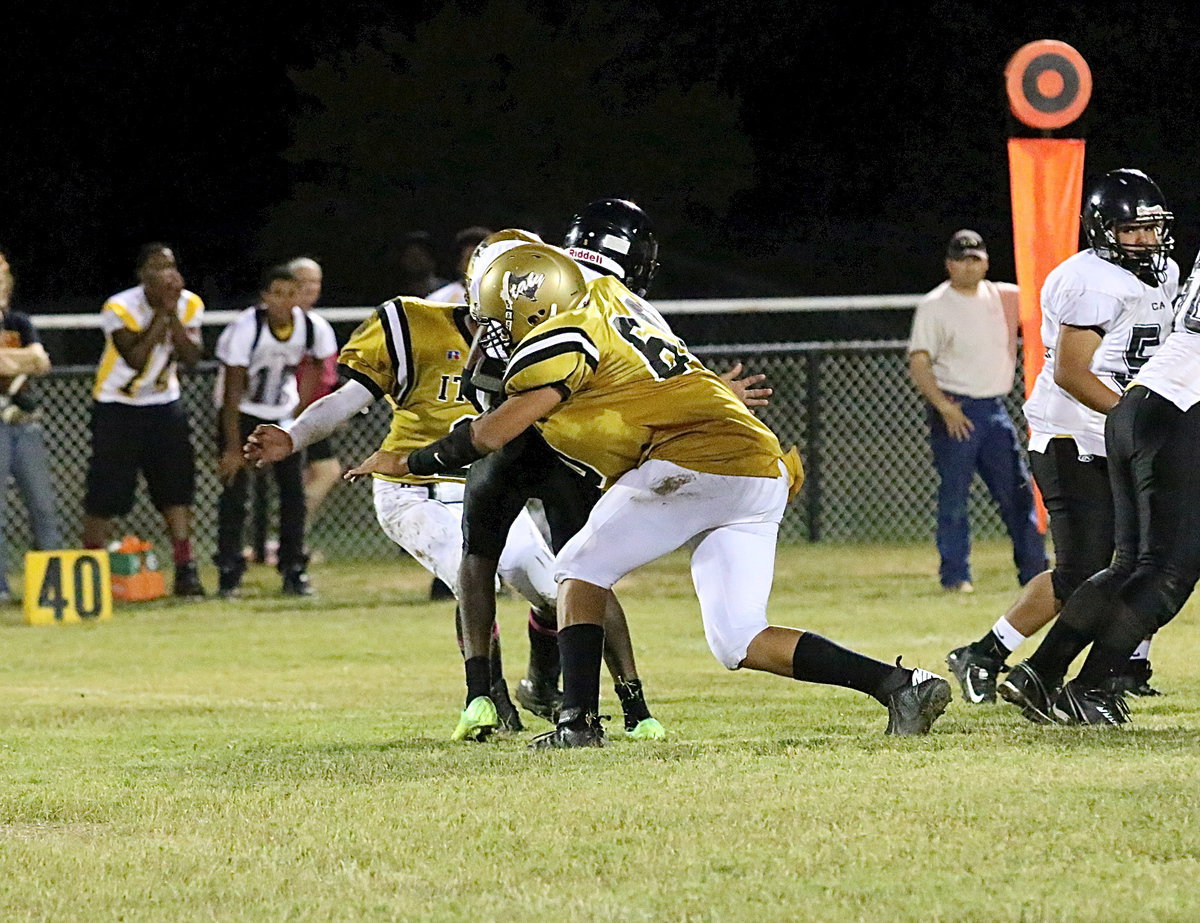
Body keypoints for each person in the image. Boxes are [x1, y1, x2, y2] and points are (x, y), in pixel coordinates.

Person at [346, 242, 953, 747]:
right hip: (756, 469)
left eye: (493, 314)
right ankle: (900, 687)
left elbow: (492, 433)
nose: (486, 327)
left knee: (578, 566)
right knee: (738, 639)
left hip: (696, 459)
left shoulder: (558, 340)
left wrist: (407, 459)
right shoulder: (611, 301)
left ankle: (577, 723)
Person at [243, 280, 558, 737]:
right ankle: (490, 699)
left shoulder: (541, 341)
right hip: (414, 487)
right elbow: (348, 399)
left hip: (491, 487)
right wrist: (294, 436)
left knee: (553, 594)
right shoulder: (415, 325)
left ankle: (543, 686)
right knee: (473, 575)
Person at [989, 169, 1179, 721]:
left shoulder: (1165, 273)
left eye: (1152, 228)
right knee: (1103, 565)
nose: (1145, 240)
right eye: (1131, 230)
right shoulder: (1091, 279)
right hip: (1077, 432)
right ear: (1102, 230)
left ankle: (1094, 671)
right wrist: (1137, 420)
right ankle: (1007, 660)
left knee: (1133, 562)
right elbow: (1074, 371)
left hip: (1119, 433)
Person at [1033, 259, 1200, 726]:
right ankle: (1091, 686)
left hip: (1141, 401)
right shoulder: (1091, 277)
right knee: (1170, 570)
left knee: (1131, 564)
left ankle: (1040, 672)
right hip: (1181, 407)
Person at [908, 230, 1047, 596]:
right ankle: (956, 576)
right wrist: (943, 407)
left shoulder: (1005, 296)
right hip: (958, 407)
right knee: (954, 496)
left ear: (986, 261)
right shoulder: (935, 304)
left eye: (976, 258)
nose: (969, 266)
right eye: (962, 259)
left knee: (1018, 493)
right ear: (949, 264)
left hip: (995, 407)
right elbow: (919, 360)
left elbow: (1046, 296)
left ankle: (1035, 573)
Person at [82, 244, 206, 596]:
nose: (168, 275)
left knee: (176, 487)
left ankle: (185, 567)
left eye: (172, 267)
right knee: (106, 490)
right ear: (142, 276)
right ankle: (91, 570)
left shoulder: (190, 304)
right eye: (158, 268)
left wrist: (175, 316)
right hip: (117, 405)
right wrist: (161, 314)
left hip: (164, 403)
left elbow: (193, 357)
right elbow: (135, 357)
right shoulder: (119, 306)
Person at [213, 264, 338, 597]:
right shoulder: (246, 328)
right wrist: (232, 447)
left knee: (293, 494)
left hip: (282, 414)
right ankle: (229, 570)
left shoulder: (312, 327)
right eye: (277, 294)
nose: (284, 301)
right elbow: (232, 390)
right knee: (235, 492)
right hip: (242, 414)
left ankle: (293, 567)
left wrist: (298, 419)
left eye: (291, 293)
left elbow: (316, 369)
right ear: (265, 296)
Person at [426, 226, 491, 602]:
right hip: (453, 407)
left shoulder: (523, 298)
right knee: (452, 492)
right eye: (469, 258)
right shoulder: (439, 302)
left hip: (501, 407)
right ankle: (448, 574)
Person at [0, 248, 63, 603]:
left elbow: (41, 361)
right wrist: (20, 362)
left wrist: (11, 361)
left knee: (42, 505)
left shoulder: (18, 323)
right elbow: (29, 361)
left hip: (24, 421)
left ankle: (53, 585)